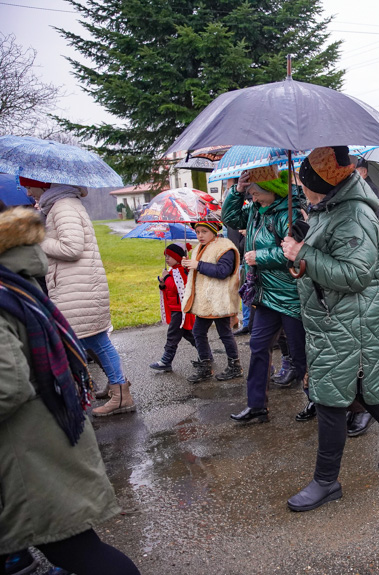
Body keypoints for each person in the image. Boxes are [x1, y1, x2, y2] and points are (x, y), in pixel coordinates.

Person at [280, 146, 379, 512]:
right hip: (338, 315)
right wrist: (303, 238)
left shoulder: (353, 215)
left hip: (351, 318)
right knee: (366, 386)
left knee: (329, 396)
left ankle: (326, 482)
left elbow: (355, 274)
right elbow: (331, 256)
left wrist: (304, 254)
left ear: (321, 184)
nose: (302, 189)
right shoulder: (332, 209)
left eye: (305, 182)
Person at [0, 205, 140, 575]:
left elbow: (7, 385)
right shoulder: (15, 273)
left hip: (30, 447)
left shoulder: (9, 279)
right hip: (49, 429)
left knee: (76, 550)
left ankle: (121, 391)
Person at [22, 177, 135, 416]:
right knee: (93, 342)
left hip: (78, 287)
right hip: (75, 286)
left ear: (42, 185)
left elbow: (71, 248)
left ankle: (118, 392)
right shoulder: (57, 205)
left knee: (93, 342)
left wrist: (37, 238)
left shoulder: (63, 206)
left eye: (28, 185)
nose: (27, 191)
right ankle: (117, 387)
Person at [221, 169, 307, 423]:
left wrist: (260, 257)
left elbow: (297, 254)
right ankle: (256, 405)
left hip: (290, 295)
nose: (253, 198)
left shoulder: (287, 214)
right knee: (258, 347)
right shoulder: (256, 212)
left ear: (272, 189)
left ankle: (316, 399)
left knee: (301, 354)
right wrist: (237, 191)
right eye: (250, 194)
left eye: (256, 193)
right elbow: (230, 217)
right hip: (266, 294)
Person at [181, 218, 244, 382]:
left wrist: (198, 265)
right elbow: (198, 270)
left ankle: (234, 365)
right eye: (197, 232)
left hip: (219, 299)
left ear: (214, 231)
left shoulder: (225, 247)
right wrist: (188, 264)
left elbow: (223, 271)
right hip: (205, 301)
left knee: (224, 333)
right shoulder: (200, 247)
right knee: (198, 332)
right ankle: (206, 365)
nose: (200, 235)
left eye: (204, 232)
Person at [149, 242, 196, 372]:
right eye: (166, 256)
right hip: (174, 308)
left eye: (169, 256)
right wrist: (163, 283)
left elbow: (178, 288)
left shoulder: (181, 270)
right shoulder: (172, 271)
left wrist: (167, 278)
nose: (167, 259)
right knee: (189, 334)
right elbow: (168, 289)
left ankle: (166, 361)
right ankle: (206, 355)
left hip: (180, 310)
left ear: (178, 257)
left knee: (172, 335)